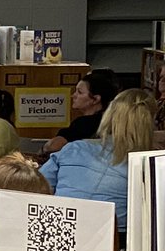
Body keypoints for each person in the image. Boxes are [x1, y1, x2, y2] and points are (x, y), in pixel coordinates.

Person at [41, 89, 155, 235]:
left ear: (109, 115)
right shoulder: (150, 166)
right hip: (119, 246)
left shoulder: (73, 149)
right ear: (150, 124)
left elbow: (37, 186)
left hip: (58, 236)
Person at [41, 69, 119, 156]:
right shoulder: (114, 121)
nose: (73, 95)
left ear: (95, 99)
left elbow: (53, 147)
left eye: (79, 92)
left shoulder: (83, 124)